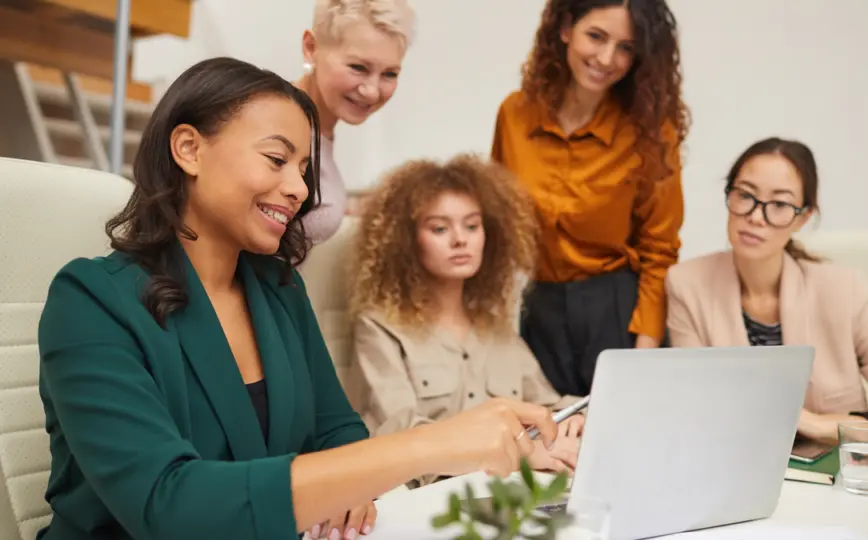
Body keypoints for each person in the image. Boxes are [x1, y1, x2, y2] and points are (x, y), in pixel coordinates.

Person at [35, 57, 559, 540]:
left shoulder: (278, 289)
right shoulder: (89, 301)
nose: (300, 189)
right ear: (189, 149)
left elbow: (336, 430)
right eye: (276, 159)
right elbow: (169, 505)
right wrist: (434, 444)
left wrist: (350, 482)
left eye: (303, 169)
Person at [664, 137, 868, 459]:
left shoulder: (842, 290)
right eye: (745, 195)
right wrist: (867, 436)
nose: (757, 217)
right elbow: (697, 414)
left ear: (803, 217)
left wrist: (819, 425)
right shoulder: (688, 285)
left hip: (834, 484)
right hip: (732, 469)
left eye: (780, 205)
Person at [343, 154, 586, 488]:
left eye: (472, 225)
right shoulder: (380, 327)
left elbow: (546, 406)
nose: (460, 239)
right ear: (406, 240)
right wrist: (519, 454)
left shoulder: (496, 326)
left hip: (509, 493)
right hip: (430, 500)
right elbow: (400, 434)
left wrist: (581, 417)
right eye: (440, 228)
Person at [490, 0, 690, 397]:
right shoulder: (514, 115)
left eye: (625, 47)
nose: (606, 58)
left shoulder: (651, 132)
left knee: (622, 440)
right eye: (596, 36)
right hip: (540, 309)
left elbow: (659, 251)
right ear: (565, 28)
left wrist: (646, 346)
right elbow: (496, 219)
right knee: (548, 444)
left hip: (615, 309)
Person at [295, 0, 415, 244]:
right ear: (311, 47)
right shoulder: (275, 126)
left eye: (389, 74)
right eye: (358, 67)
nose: (372, 91)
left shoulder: (321, 129)